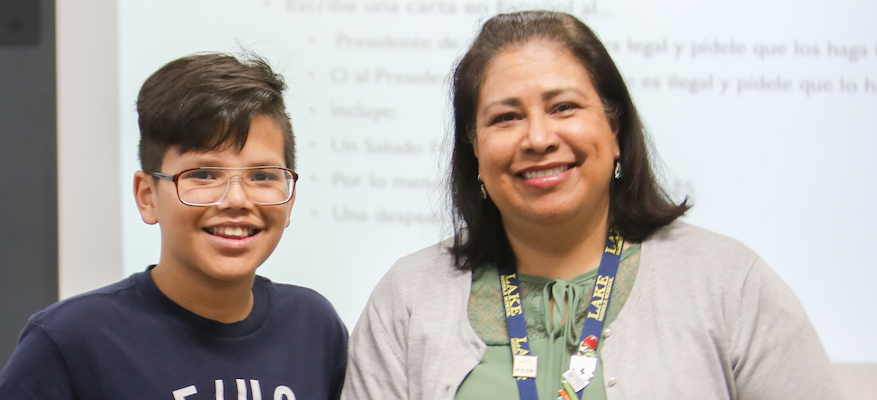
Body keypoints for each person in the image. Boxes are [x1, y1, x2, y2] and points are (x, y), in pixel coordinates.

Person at [342, 11, 845, 400]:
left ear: (616, 130)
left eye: (564, 107)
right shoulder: (406, 301)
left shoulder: (730, 285)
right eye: (506, 117)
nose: (538, 138)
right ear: (474, 151)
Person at [0, 53, 348, 399]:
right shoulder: (73, 339)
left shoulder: (312, 327)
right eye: (204, 174)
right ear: (147, 196)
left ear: (291, 199)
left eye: (263, 176)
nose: (237, 200)